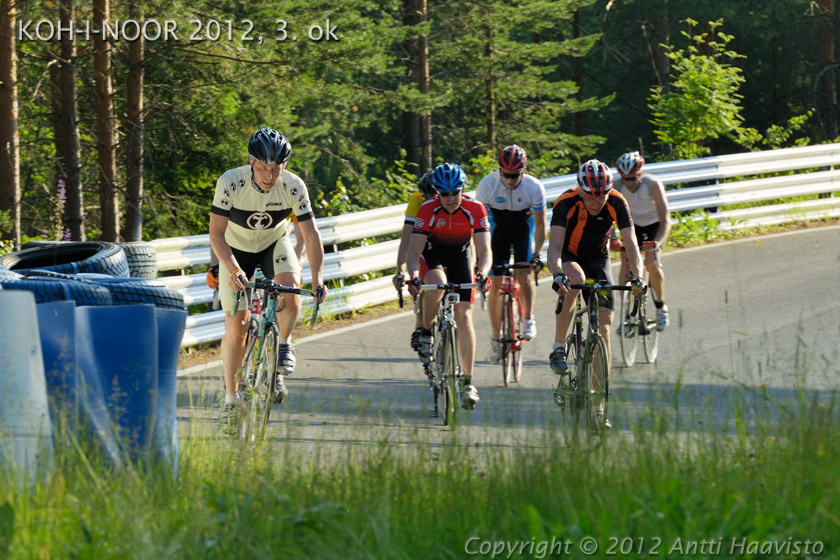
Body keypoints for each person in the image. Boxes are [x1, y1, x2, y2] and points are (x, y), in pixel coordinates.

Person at [209, 127, 328, 434]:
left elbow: (311, 236)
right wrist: (233, 269)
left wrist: (317, 279)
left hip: (274, 244)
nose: (268, 176)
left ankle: (284, 344)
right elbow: (216, 234)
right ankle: (230, 400)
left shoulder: (293, 186)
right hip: (235, 250)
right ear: (251, 162)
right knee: (238, 326)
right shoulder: (230, 181)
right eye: (262, 167)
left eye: (276, 169)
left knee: (290, 287)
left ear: (284, 167)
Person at [547, 159, 645, 427]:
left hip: (598, 258)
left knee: (604, 327)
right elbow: (554, 248)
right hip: (569, 256)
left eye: (601, 195)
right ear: (580, 190)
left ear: (609, 190)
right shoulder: (565, 202)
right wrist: (557, 272)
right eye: (590, 195)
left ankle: (599, 405)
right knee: (575, 279)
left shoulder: (617, 202)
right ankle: (558, 347)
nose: (596, 201)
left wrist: (638, 277)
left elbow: (632, 245)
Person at [406, 163, 491, 409]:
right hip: (433, 255)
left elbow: (485, 251)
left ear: (462, 190)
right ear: (437, 193)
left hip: (461, 256)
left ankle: (468, 382)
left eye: (455, 192)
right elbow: (414, 251)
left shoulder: (475, 208)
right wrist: (413, 275)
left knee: (464, 318)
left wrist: (483, 273)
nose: (451, 199)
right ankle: (425, 330)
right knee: (438, 285)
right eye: (445, 194)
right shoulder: (427, 209)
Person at [475, 144, 546, 363]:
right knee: (495, 283)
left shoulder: (534, 187)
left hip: (524, 228)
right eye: (506, 175)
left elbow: (542, 225)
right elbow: (480, 227)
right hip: (497, 230)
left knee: (523, 275)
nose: (510, 179)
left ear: (523, 171)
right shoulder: (487, 185)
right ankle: (497, 338)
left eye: (515, 175)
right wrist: (481, 257)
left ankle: (527, 318)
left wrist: (537, 254)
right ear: (499, 170)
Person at [613, 151, 671, 331]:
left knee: (651, 263)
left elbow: (666, 220)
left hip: (654, 226)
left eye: (632, 178)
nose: (628, 183)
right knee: (626, 264)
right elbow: (608, 215)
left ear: (640, 174)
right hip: (632, 227)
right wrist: (613, 238)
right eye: (625, 179)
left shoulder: (653, 185)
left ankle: (661, 308)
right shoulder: (616, 185)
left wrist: (656, 243)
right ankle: (626, 313)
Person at [393, 171, 436, 353]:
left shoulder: (452, 199)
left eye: (432, 197)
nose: (428, 201)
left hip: (449, 242)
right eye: (425, 197)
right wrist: (400, 271)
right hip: (425, 242)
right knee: (424, 280)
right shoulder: (417, 200)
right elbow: (406, 240)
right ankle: (420, 326)